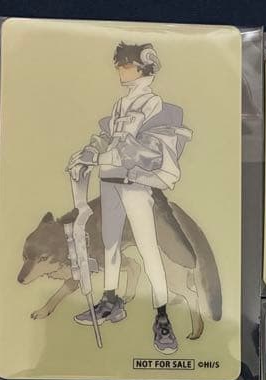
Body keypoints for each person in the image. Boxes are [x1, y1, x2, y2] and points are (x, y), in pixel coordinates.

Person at [67, 42, 193, 354]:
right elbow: (106, 138)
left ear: (143, 67)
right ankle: (110, 300)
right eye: (120, 65)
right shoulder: (121, 104)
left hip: (135, 183)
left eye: (126, 65)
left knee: (148, 248)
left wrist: (103, 155)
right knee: (110, 244)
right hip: (109, 181)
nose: (120, 71)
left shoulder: (154, 105)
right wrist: (86, 155)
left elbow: (148, 151)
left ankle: (162, 316)